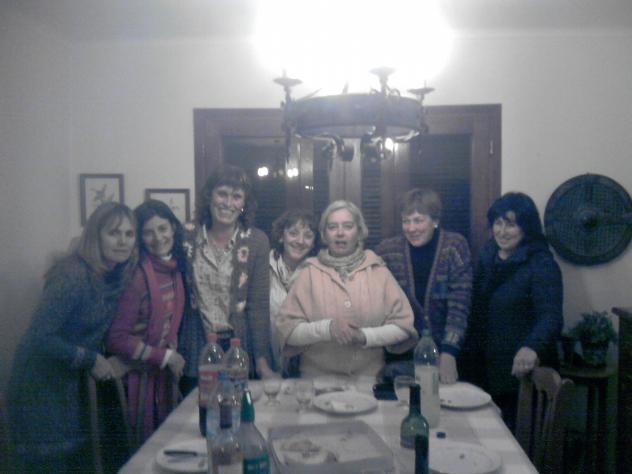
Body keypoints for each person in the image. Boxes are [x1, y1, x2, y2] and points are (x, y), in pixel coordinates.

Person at [7, 202, 138, 473]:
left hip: (70, 383)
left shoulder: (111, 274)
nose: (123, 241)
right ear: (95, 235)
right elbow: (38, 337)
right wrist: (91, 359)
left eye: (129, 234)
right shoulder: (73, 273)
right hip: (42, 386)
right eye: (114, 233)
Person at [275, 200, 417, 377]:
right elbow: (287, 331)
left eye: (348, 226)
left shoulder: (378, 271)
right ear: (324, 235)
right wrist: (327, 329)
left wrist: (364, 336)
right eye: (332, 227)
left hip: (370, 381)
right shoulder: (308, 273)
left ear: (359, 232)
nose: (340, 233)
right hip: (316, 382)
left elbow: (403, 327)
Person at [463, 192, 563, 430]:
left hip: (519, 373)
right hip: (485, 366)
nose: (502, 231)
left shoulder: (542, 264)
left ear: (527, 227)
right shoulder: (488, 256)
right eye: (498, 223)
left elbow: (551, 317)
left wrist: (532, 347)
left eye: (511, 224)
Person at [179, 165, 274, 394]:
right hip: (195, 346)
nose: (228, 203)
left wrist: (262, 362)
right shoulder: (186, 236)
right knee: (199, 411)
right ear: (209, 196)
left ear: (244, 204)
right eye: (222, 194)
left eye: (237, 196)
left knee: (237, 409)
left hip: (238, 347)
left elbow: (258, 306)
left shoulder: (257, 241)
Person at [105, 200, 187, 441]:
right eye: (148, 232)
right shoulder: (136, 276)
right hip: (133, 380)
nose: (158, 238)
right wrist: (165, 357)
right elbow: (115, 339)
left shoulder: (175, 267)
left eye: (162, 228)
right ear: (140, 237)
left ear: (173, 227)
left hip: (159, 376)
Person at [374, 188, 472, 384]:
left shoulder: (454, 246)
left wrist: (449, 351)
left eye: (418, 220)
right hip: (400, 353)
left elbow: (460, 304)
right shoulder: (387, 250)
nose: (411, 228)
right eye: (406, 221)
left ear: (435, 221)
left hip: (446, 352)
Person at [269, 209, 319, 375]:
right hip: (267, 364)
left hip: (306, 366)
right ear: (281, 236)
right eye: (293, 233)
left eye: (308, 236)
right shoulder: (262, 267)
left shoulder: (318, 273)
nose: (300, 241)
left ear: (314, 243)